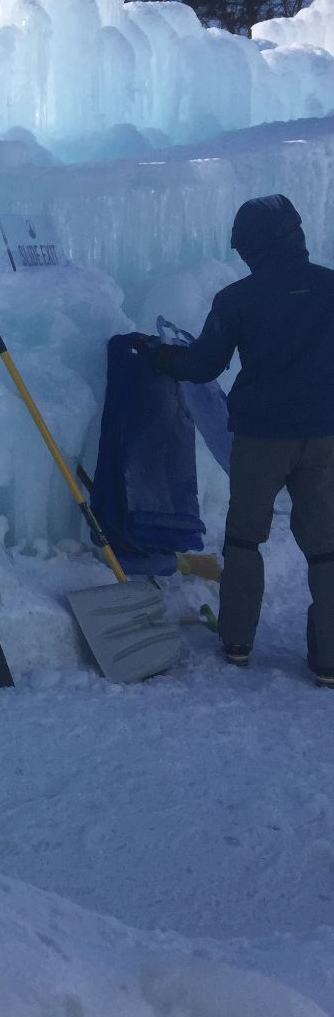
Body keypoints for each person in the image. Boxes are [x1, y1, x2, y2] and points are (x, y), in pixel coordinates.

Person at [146, 194, 334, 685]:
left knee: (246, 538)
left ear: (254, 244)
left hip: (261, 436)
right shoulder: (331, 286)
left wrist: (162, 357)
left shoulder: (237, 298)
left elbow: (203, 365)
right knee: (326, 545)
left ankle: (237, 643)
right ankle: (330, 660)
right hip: (325, 434)